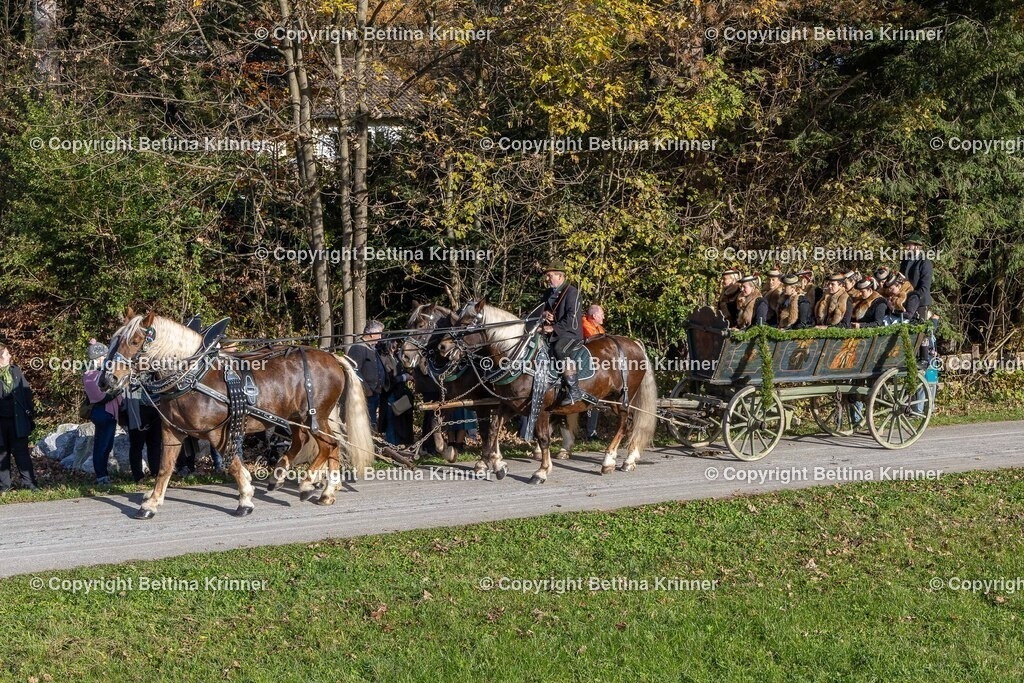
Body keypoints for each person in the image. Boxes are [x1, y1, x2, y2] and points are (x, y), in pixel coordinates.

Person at [539, 260, 588, 406]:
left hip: (570, 334)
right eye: (547, 276)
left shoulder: (573, 292)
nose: (547, 279)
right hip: (551, 332)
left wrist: (553, 328)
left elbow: (571, 318)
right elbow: (539, 309)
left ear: (560, 276)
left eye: (550, 276)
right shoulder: (548, 293)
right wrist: (544, 314)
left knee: (560, 349)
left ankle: (574, 390)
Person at [0, 343, 39, 493]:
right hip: (1, 422)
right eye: (7, 354)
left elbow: (26, 392)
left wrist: (30, 412)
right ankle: (4, 487)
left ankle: (30, 484)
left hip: (18, 420)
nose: (10, 356)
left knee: (22, 453)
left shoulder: (15, 371)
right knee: (2, 454)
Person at [83, 340, 121, 486]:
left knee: (106, 444)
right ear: (98, 358)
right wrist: (115, 393)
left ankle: (103, 473)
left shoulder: (99, 372)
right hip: (101, 412)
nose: (107, 359)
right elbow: (98, 397)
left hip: (108, 413)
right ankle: (101, 475)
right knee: (102, 445)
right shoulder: (90, 374)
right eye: (104, 356)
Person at [120, 380, 162, 484]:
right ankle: (138, 476)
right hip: (137, 410)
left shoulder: (154, 371)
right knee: (136, 446)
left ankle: (155, 473)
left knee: (155, 443)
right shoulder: (133, 374)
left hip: (156, 408)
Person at [347, 320, 385, 429]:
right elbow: (354, 370)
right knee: (365, 423)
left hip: (375, 393)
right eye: (379, 334)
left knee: (372, 422)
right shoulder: (358, 348)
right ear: (372, 334)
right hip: (365, 394)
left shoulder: (372, 348)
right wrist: (366, 388)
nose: (381, 337)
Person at [377, 338, 415, 446]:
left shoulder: (396, 357)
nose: (396, 345)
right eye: (393, 343)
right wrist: (403, 377)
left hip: (400, 394)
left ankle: (401, 445)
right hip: (390, 394)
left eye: (396, 343)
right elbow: (388, 379)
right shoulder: (383, 358)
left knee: (401, 422)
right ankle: (392, 446)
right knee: (392, 421)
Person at [581, 304, 606, 439]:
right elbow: (596, 342)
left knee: (596, 402)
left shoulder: (598, 327)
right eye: (601, 314)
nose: (603, 317)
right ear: (594, 316)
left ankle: (592, 430)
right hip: (586, 364)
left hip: (599, 364)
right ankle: (590, 431)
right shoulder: (586, 324)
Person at [900, 232, 933, 320]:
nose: (906, 248)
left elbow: (924, 288)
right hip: (905, 301)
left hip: (920, 304)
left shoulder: (925, 262)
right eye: (906, 245)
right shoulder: (904, 260)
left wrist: (912, 299)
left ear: (917, 246)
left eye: (909, 245)